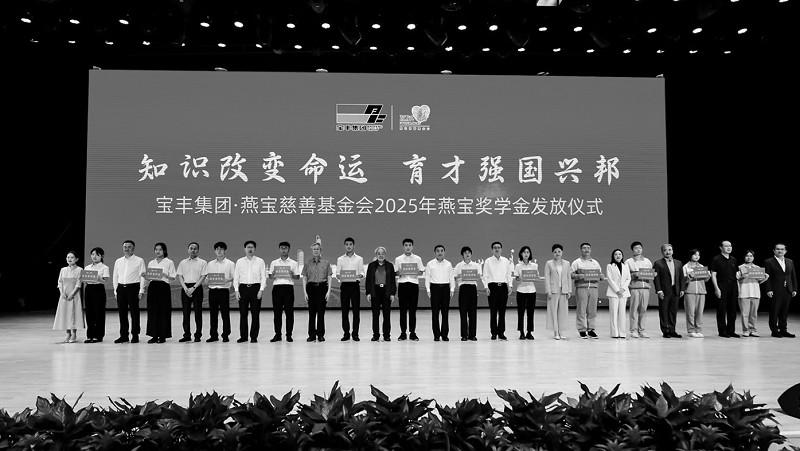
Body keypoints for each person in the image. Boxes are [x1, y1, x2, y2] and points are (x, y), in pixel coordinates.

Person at [112, 240, 146, 343]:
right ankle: (124, 336)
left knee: (134, 313)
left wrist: (141, 290)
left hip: (133, 288)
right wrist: (115, 291)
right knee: (122, 313)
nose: (127, 249)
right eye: (125, 247)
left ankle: (135, 335)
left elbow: (142, 276)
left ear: (133, 248)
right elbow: (115, 276)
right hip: (121, 288)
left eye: (129, 247)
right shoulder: (118, 261)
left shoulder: (139, 260)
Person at [234, 240, 267, 343]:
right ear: (244, 249)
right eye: (248, 247)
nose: (250, 249)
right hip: (243, 288)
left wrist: (261, 290)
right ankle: (243, 336)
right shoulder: (239, 261)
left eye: (252, 247)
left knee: (255, 314)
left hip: (255, 288)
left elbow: (263, 277)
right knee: (243, 314)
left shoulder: (260, 261)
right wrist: (236, 290)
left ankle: (254, 337)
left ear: (255, 249)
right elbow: (236, 277)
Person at [764, 243, 798, 338]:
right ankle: (774, 331)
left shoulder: (790, 261)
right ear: (774, 251)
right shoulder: (768, 261)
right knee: (774, 311)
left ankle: (783, 330)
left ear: (785, 251)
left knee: (784, 312)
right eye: (778, 249)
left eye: (782, 249)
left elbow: (793, 276)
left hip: (788, 290)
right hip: (775, 290)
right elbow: (767, 277)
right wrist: (768, 289)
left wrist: (794, 288)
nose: (780, 251)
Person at [145, 242, 176, 343]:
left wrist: (165, 275)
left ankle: (163, 336)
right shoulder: (151, 262)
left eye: (160, 249)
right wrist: (145, 276)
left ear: (164, 251)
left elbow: (173, 278)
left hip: (163, 287)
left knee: (163, 311)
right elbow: (149, 277)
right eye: (156, 249)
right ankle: (154, 335)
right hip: (153, 287)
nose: (158, 251)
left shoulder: (169, 262)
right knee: (152, 311)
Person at [394, 238, 425, 341]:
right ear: (403, 247)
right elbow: (395, 272)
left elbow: (421, 271)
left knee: (412, 310)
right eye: (406, 245)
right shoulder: (398, 259)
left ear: (412, 247)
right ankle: (403, 333)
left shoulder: (417, 258)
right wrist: (400, 272)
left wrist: (414, 271)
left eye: (409, 245)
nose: (408, 247)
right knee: (402, 311)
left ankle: (412, 333)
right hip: (402, 285)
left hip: (413, 285)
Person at [571, 242, 603, 339]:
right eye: (584, 248)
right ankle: (582, 330)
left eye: (588, 248)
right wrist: (579, 276)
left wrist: (601, 276)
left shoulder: (595, 263)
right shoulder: (576, 262)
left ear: (590, 250)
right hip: (582, 288)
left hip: (593, 288)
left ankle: (591, 329)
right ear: (581, 250)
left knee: (592, 310)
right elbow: (571, 274)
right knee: (581, 309)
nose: (586, 250)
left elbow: (600, 275)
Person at [176, 242, 207, 342]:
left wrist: (194, 287)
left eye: (195, 248)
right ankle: (187, 335)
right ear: (188, 250)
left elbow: (203, 276)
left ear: (198, 250)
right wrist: (185, 288)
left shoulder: (203, 262)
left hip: (197, 288)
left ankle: (198, 335)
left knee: (198, 312)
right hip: (185, 288)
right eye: (191, 248)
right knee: (186, 313)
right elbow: (180, 276)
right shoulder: (183, 262)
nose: (193, 250)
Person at [268, 241, 299, 342]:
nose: (283, 250)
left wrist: (291, 274)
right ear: (279, 249)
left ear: (289, 249)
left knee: (289, 313)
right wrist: (273, 274)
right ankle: (278, 335)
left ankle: (289, 335)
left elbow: (297, 277)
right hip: (277, 288)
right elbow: (270, 276)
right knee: (277, 313)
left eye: (285, 248)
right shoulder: (274, 262)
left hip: (288, 288)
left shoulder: (294, 263)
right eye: (282, 248)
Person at [483, 241, 513, 340]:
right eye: (495, 247)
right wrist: (486, 287)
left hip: (503, 287)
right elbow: (485, 275)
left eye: (499, 247)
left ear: (501, 249)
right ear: (492, 250)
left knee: (502, 312)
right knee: (493, 311)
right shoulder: (488, 261)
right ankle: (494, 333)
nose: (497, 249)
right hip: (492, 287)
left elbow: (508, 274)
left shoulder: (505, 261)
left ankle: (501, 333)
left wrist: (510, 286)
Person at [302, 242, 332, 342]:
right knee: (311, 313)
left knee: (321, 313)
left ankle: (320, 334)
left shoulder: (326, 263)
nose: (316, 251)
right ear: (312, 250)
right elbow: (304, 277)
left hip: (322, 288)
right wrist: (305, 292)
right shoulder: (307, 263)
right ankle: (311, 335)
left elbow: (329, 277)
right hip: (311, 288)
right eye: (314, 249)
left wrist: (328, 291)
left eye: (317, 249)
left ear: (320, 250)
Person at [653, 243, 685, 338]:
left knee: (673, 311)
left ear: (673, 251)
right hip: (664, 290)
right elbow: (656, 278)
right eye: (665, 250)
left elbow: (681, 277)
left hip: (676, 290)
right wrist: (659, 290)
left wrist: (682, 289)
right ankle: (665, 331)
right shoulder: (658, 263)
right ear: (662, 252)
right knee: (664, 311)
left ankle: (672, 330)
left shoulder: (678, 263)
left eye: (670, 250)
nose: (668, 252)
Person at [365, 246, 396, 341]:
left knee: (386, 315)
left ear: (385, 255)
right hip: (375, 292)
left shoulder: (390, 265)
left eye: (382, 253)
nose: (381, 255)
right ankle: (376, 335)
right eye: (379, 253)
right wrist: (368, 293)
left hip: (386, 291)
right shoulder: (371, 265)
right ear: (376, 255)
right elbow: (368, 280)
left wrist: (392, 293)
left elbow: (393, 281)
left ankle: (386, 335)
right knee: (375, 315)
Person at [205, 242, 235, 342]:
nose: (219, 251)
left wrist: (227, 280)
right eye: (217, 249)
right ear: (214, 251)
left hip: (223, 291)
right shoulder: (210, 264)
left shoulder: (230, 263)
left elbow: (234, 277)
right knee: (213, 314)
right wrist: (207, 281)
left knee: (225, 314)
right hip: (212, 291)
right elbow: (207, 277)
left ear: (225, 250)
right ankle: (213, 335)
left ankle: (225, 335)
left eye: (221, 249)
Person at [424, 245, 455, 341]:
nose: (440, 252)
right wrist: (428, 290)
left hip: (445, 289)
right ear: (435, 253)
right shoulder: (430, 264)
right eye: (438, 251)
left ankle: (445, 335)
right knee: (435, 313)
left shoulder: (448, 264)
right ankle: (436, 335)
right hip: (434, 288)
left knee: (445, 313)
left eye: (442, 251)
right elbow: (427, 278)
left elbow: (451, 277)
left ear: (444, 252)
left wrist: (452, 289)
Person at [336, 237, 364, 341]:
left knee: (356, 311)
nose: (349, 246)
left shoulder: (359, 259)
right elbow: (337, 274)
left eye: (350, 244)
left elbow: (362, 272)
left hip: (355, 286)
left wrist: (360, 275)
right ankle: (346, 334)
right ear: (344, 246)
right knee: (345, 311)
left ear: (353, 245)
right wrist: (339, 276)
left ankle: (355, 334)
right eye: (347, 244)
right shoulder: (340, 259)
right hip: (344, 286)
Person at [736, 250, 769, 337]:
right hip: (744, 293)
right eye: (747, 256)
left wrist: (765, 277)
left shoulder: (757, 268)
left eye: (751, 256)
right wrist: (742, 277)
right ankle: (745, 330)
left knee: (753, 314)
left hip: (755, 293)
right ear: (744, 257)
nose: (749, 257)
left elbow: (759, 281)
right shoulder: (740, 267)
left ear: (753, 257)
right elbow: (736, 279)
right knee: (745, 314)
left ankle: (753, 329)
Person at [53, 251, 85, 343]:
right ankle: (68, 333)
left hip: (74, 295)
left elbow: (79, 283)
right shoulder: (63, 270)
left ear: (76, 259)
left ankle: (74, 333)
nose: (69, 259)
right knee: (65, 314)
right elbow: (60, 282)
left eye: (72, 257)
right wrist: (62, 293)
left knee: (73, 314)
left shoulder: (80, 270)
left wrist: (72, 294)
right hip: (64, 295)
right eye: (68, 257)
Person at [710, 240, 739, 338]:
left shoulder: (733, 259)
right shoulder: (716, 259)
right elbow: (713, 275)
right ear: (721, 248)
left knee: (733, 310)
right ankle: (722, 331)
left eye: (730, 246)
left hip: (733, 287)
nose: (729, 248)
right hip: (722, 286)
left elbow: (736, 275)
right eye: (726, 246)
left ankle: (731, 331)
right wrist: (716, 288)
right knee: (721, 310)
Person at [625, 241, 654, 338]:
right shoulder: (628, 262)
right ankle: (633, 330)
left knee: (643, 310)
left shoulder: (647, 261)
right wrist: (634, 274)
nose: (638, 250)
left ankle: (642, 330)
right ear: (632, 250)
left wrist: (653, 274)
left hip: (645, 288)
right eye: (636, 248)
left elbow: (650, 273)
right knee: (633, 310)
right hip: (634, 288)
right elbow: (625, 275)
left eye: (640, 248)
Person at [454, 246, 482, 341]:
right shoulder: (459, 266)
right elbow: (455, 278)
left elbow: (478, 277)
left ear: (471, 254)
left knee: (473, 312)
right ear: (462, 255)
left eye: (469, 252)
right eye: (465, 253)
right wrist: (461, 276)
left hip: (472, 288)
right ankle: (464, 335)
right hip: (463, 289)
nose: (467, 254)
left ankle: (472, 335)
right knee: (463, 312)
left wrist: (470, 275)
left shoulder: (476, 265)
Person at [544, 244, 571, 340]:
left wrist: (569, 290)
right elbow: (547, 278)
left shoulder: (567, 263)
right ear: (553, 253)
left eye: (559, 251)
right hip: (553, 290)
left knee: (563, 312)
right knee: (553, 311)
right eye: (555, 252)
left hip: (564, 290)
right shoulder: (549, 263)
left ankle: (561, 331)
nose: (557, 253)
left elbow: (568, 277)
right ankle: (556, 331)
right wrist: (548, 291)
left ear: (562, 252)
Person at [83, 247, 109, 343]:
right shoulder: (87, 267)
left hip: (99, 289)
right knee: (89, 312)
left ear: (101, 256)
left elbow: (105, 281)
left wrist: (98, 278)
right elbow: (84, 280)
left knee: (99, 312)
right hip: (89, 289)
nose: (94, 257)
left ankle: (98, 336)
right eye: (93, 254)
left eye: (97, 255)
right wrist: (84, 279)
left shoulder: (104, 267)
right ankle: (90, 335)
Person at [682, 249, 708, 338]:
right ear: (690, 256)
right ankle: (691, 330)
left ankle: (698, 330)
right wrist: (689, 276)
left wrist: (708, 276)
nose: (697, 256)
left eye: (698, 255)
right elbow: (683, 281)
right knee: (690, 312)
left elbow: (705, 280)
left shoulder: (701, 266)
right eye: (695, 255)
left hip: (701, 291)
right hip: (690, 291)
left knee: (699, 312)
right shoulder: (686, 267)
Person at [514, 246, 538, 340]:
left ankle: (529, 332)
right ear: (521, 254)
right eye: (524, 252)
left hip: (531, 290)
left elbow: (536, 277)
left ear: (530, 254)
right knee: (521, 313)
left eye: (528, 252)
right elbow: (516, 278)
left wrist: (535, 277)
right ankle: (521, 332)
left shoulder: (534, 265)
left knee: (530, 313)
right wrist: (520, 278)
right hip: (521, 291)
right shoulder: (518, 266)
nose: (526, 254)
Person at [606, 249, 631, 339]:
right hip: (613, 292)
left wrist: (623, 289)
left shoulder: (626, 266)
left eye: (620, 254)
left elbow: (628, 278)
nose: (618, 256)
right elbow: (609, 279)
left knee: (622, 313)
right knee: (613, 313)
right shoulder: (610, 266)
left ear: (622, 256)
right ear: (613, 256)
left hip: (623, 293)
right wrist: (617, 290)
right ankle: (614, 333)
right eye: (616, 254)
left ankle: (622, 333)